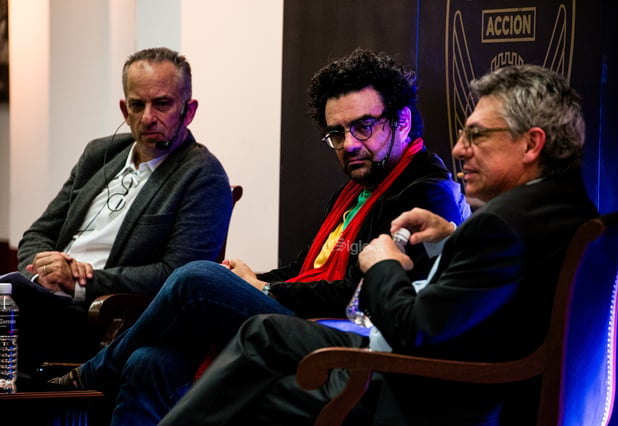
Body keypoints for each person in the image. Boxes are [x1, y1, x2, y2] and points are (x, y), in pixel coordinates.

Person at [157, 64, 599, 426]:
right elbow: (487, 297)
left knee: (249, 361)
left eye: (477, 135)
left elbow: (415, 330)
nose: (460, 150)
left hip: (433, 395)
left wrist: (382, 264)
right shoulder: (566, 210)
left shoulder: (501, 222)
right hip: (451, 376)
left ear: (531, 144)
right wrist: (452, 239)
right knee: (245, 340)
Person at [49, 48, 470, 424]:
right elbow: (305, 268)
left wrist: (266, 289)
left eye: (363, 127)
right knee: (148, 361)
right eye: (336, 133)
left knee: (196, 277)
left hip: (340, 335)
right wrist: (257, 278)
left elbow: (363, 294)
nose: (348, 144)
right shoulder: (355, 188)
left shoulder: (425, 192)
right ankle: (97, 374)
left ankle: (90, 376)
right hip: (304, 313)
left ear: (401, 121)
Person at [1, 47, 233, 375]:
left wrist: (80, 282)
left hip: (102, 316)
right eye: (137, 105)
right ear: (125, 110)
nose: (148, 117)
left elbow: (175, 274)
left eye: (162, 104)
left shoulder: (202, 175)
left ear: (189, 110)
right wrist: (46, 270)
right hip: (42, 298)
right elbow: (39, 233)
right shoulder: (99, 155)